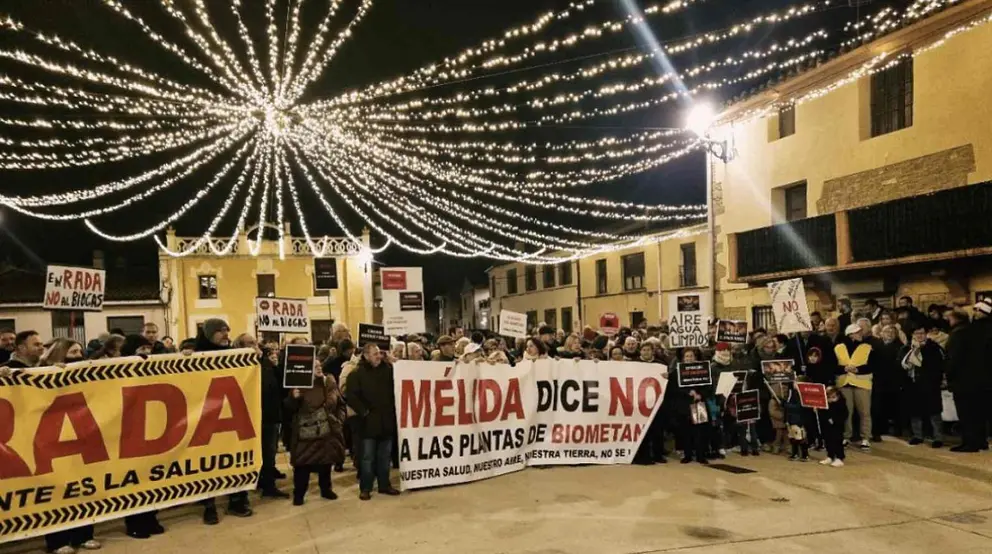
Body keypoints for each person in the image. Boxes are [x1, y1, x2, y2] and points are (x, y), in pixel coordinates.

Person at [195, 319, 253, 523]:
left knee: (234, 459)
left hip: (231, 417)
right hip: (206, 418)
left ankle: (237, 500)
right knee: (207, 464)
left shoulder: (234, 355)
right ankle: (209, 505)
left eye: (227, 330)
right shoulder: (196, 355)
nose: (225, 334)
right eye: (220, 331)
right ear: (209, 334)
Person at [284, 360, 347, 505]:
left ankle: (326, 489)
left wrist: (338, 420)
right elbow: (289, 409)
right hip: (306, 433)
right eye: (315, 366)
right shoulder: (298, 385)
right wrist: (293, 398)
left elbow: (340, 404)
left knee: (326, 462)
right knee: (303, 465)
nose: (319, 368)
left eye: (320, 366)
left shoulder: (327, 382)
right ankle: (299, 494)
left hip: (326, 431)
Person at [346, 344, 401, 500]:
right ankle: (366, 488)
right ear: (366, 356)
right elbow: (352, 397)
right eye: (375, 354)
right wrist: (365, 412)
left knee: (385, 457)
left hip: (386, 421)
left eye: (380, 353)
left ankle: (384, 485)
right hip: (367, 424)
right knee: (367, 458)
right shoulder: (356, 374)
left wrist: (394, 361)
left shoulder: (388, 370)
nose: (379, 356)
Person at [948, 302, 991, 452]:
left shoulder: (961, 333)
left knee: (966, 413)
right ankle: (981, 441)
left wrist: (948, 375)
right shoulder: (979, 331)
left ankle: (970, 443)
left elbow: (954, 359)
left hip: (963, 380)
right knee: (979, 412)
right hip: (982, 379)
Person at [900, 324, 945, 448]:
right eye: (917, 333)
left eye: (922, 333)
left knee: (934, 412)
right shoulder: (907, 348)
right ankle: (917, 435)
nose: (919, 335)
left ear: (926, 334)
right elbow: (901, 364)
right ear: (912, 335)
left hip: (930, 384)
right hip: (913, 385)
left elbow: (939, 366)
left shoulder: (934, 347)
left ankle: (938, 437)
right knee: (915, 412)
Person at [835, 323, 876, 450]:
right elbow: (833, 365)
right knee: (846, 412)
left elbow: (873, 365)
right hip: (844, 383)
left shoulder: (868, 347)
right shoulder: (838, 348)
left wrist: (858, 370)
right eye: (857, 332)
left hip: (862, 383)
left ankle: (865, 438)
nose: (860, 334)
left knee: (864, 412)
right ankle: (846, 436)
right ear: (851, 335)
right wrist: (844, 368)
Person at [871, 325, 905, 440]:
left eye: (892, 332)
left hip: (894, 381)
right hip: (879, 380)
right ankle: (881, 428)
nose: (889, 334)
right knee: (879, 406)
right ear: (881, 333)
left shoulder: (900, 347)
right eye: (887, 331)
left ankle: (897, 429)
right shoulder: (876, 346)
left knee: (896, 406)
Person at [820, 386, 848, 467]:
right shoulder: (826, 404)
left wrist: (835, 420)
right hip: (827, 427)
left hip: (837, 427)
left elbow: (844, 415)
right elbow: (823, 413)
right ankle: (830, 456)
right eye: (828, 397)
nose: (831, 399)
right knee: (828, 441)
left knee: (837, 442)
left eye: (833, 397)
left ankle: (840, 458)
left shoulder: (841, 404)